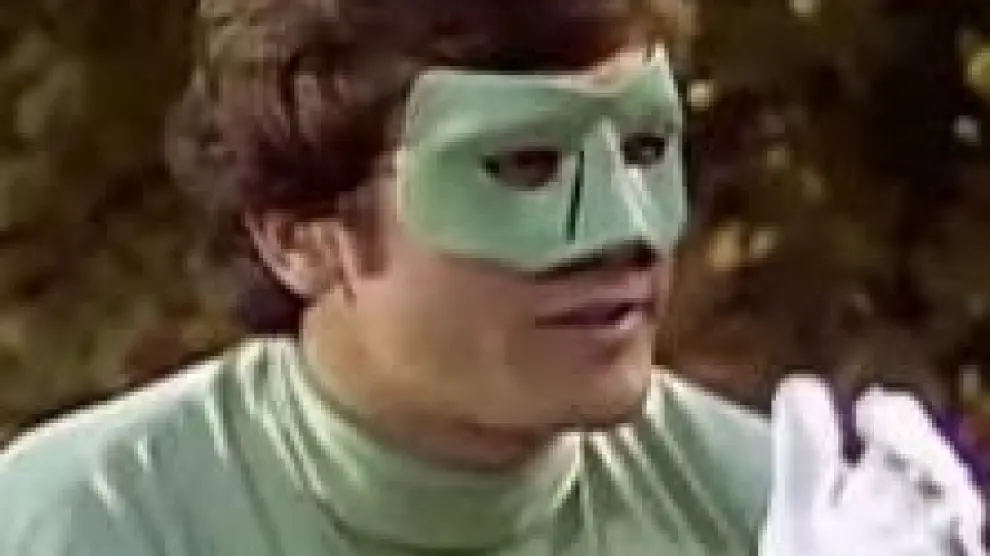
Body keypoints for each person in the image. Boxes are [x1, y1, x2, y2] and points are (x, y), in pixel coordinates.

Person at [0, 1, 983, 555]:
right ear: (299, 237)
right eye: (524, 164)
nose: (626, 230)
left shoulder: (766, 514)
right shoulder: (85, 527)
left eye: (646, 148)